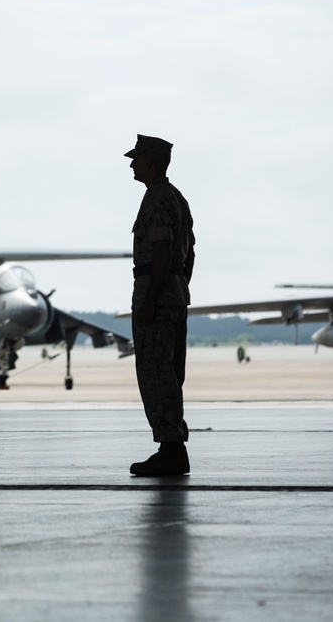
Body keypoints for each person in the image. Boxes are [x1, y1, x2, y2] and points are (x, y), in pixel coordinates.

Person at [125, 134, 195, 476]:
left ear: (150, 161)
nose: (132, 163)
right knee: (170, 369)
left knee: (156, 370)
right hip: (176, 290)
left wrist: (152, 298)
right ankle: (172, 446)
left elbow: (164, 250)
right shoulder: (177, 198)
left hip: (158, 288)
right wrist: (177, 288)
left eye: (136, 158)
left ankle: (170, 448)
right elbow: (189, 254)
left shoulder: (156, 199)